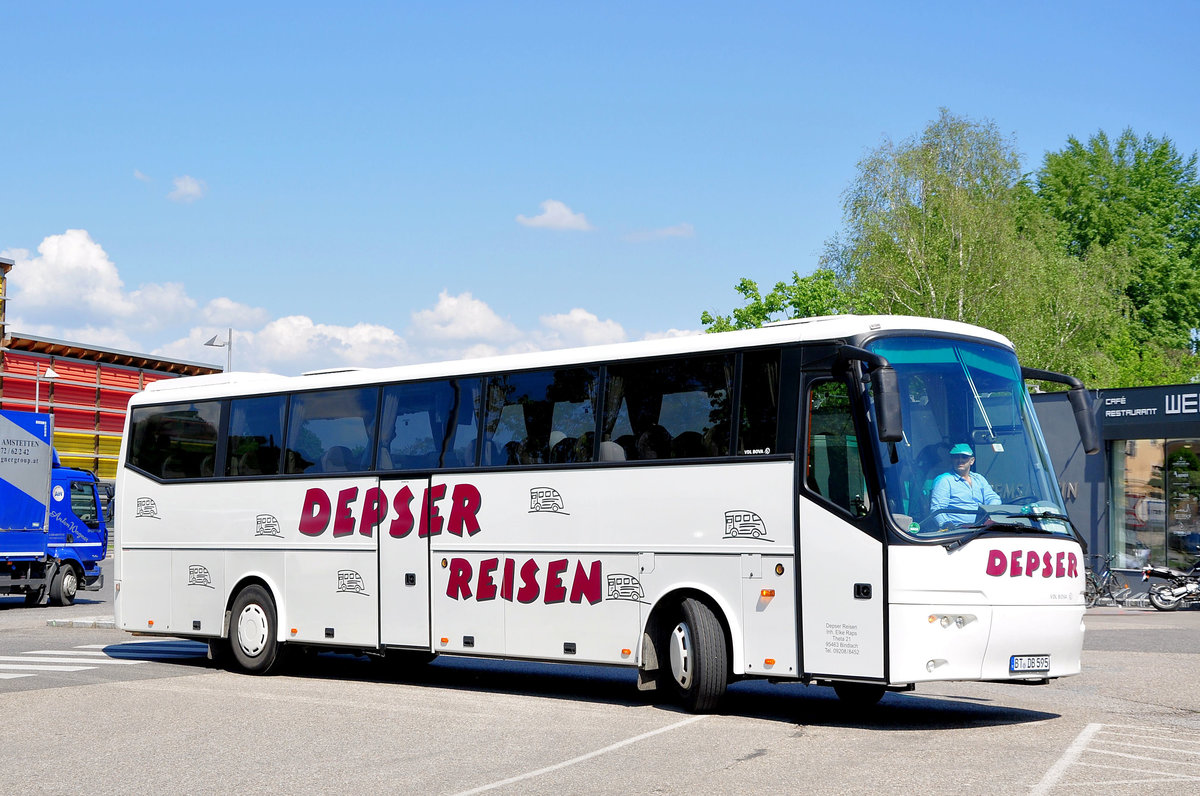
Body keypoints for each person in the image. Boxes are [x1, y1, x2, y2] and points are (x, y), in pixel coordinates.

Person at [929, 443, 1001, 528]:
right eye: (956, 457)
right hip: (957, 530)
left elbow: (993, 498)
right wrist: (947, 525)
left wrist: (988, 514)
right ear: (951, 459)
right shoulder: (944, 480)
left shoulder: (979, 478)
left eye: (964, 457)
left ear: (972, 460)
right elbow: (937, 508)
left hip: (981, 528)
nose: (960, 460)